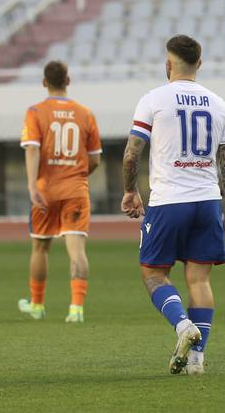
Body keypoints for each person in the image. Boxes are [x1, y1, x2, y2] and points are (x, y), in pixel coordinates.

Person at [121, 35, 225, 376]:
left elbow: (132, 153)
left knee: (153, 272)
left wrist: (130, 191)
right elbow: (223, 160)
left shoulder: (154, 99)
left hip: (169, 201)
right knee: (199, 279)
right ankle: (197, 361)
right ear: (199, 63)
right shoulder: (218, 103)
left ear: (169, 64)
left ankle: (182, 326)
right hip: (208, 199)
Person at [18, 61, 102, 322]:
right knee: (77, 250)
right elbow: (96, 158)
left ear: (45, 83)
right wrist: (76, 175)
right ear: (69, 80)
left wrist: (32, 186)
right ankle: (76, 309)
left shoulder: (35, 112)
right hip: (75, 190)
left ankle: (37, 305)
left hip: (45, 190)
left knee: (40, 247)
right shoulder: (85, 113)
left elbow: (32, 148)